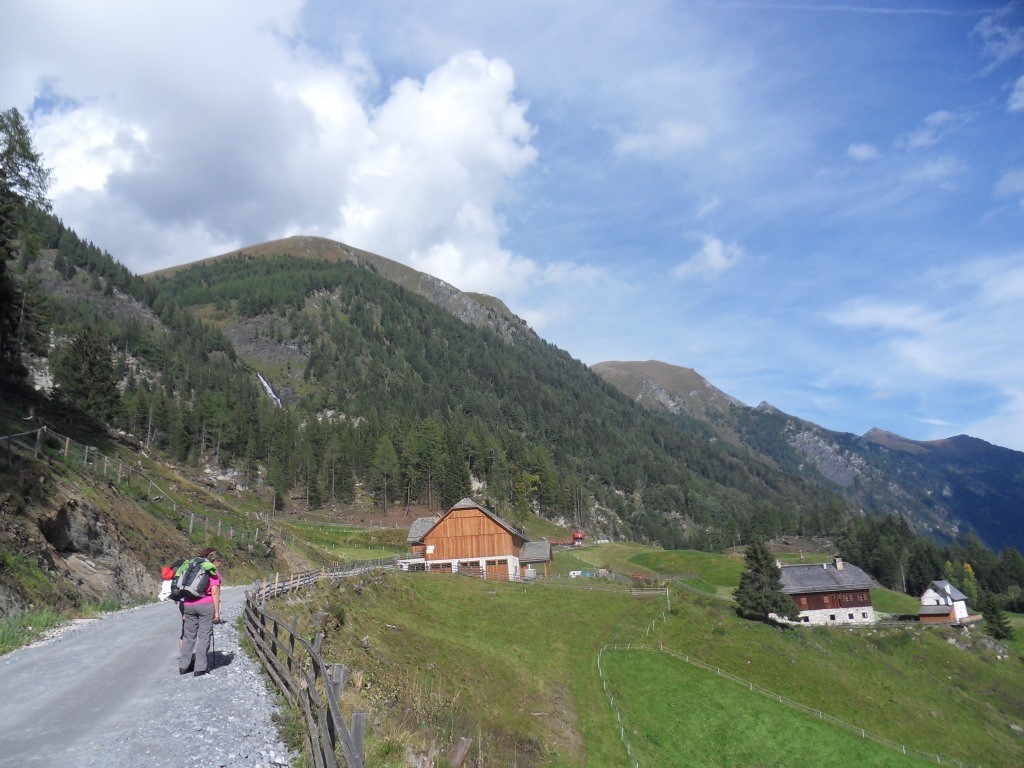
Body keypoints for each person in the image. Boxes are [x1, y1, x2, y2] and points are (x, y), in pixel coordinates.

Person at [178, 548, 222, 677]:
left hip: (188, 604)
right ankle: (200, 668)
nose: (220, 565)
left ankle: (183, 666)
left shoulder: (192, 567)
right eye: (220, 562)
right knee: (204, 636)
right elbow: (214, 592)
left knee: (188, 636)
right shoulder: (212, 571)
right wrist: (217, 612)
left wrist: (185, 610)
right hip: (205, 605)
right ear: (215, 561)